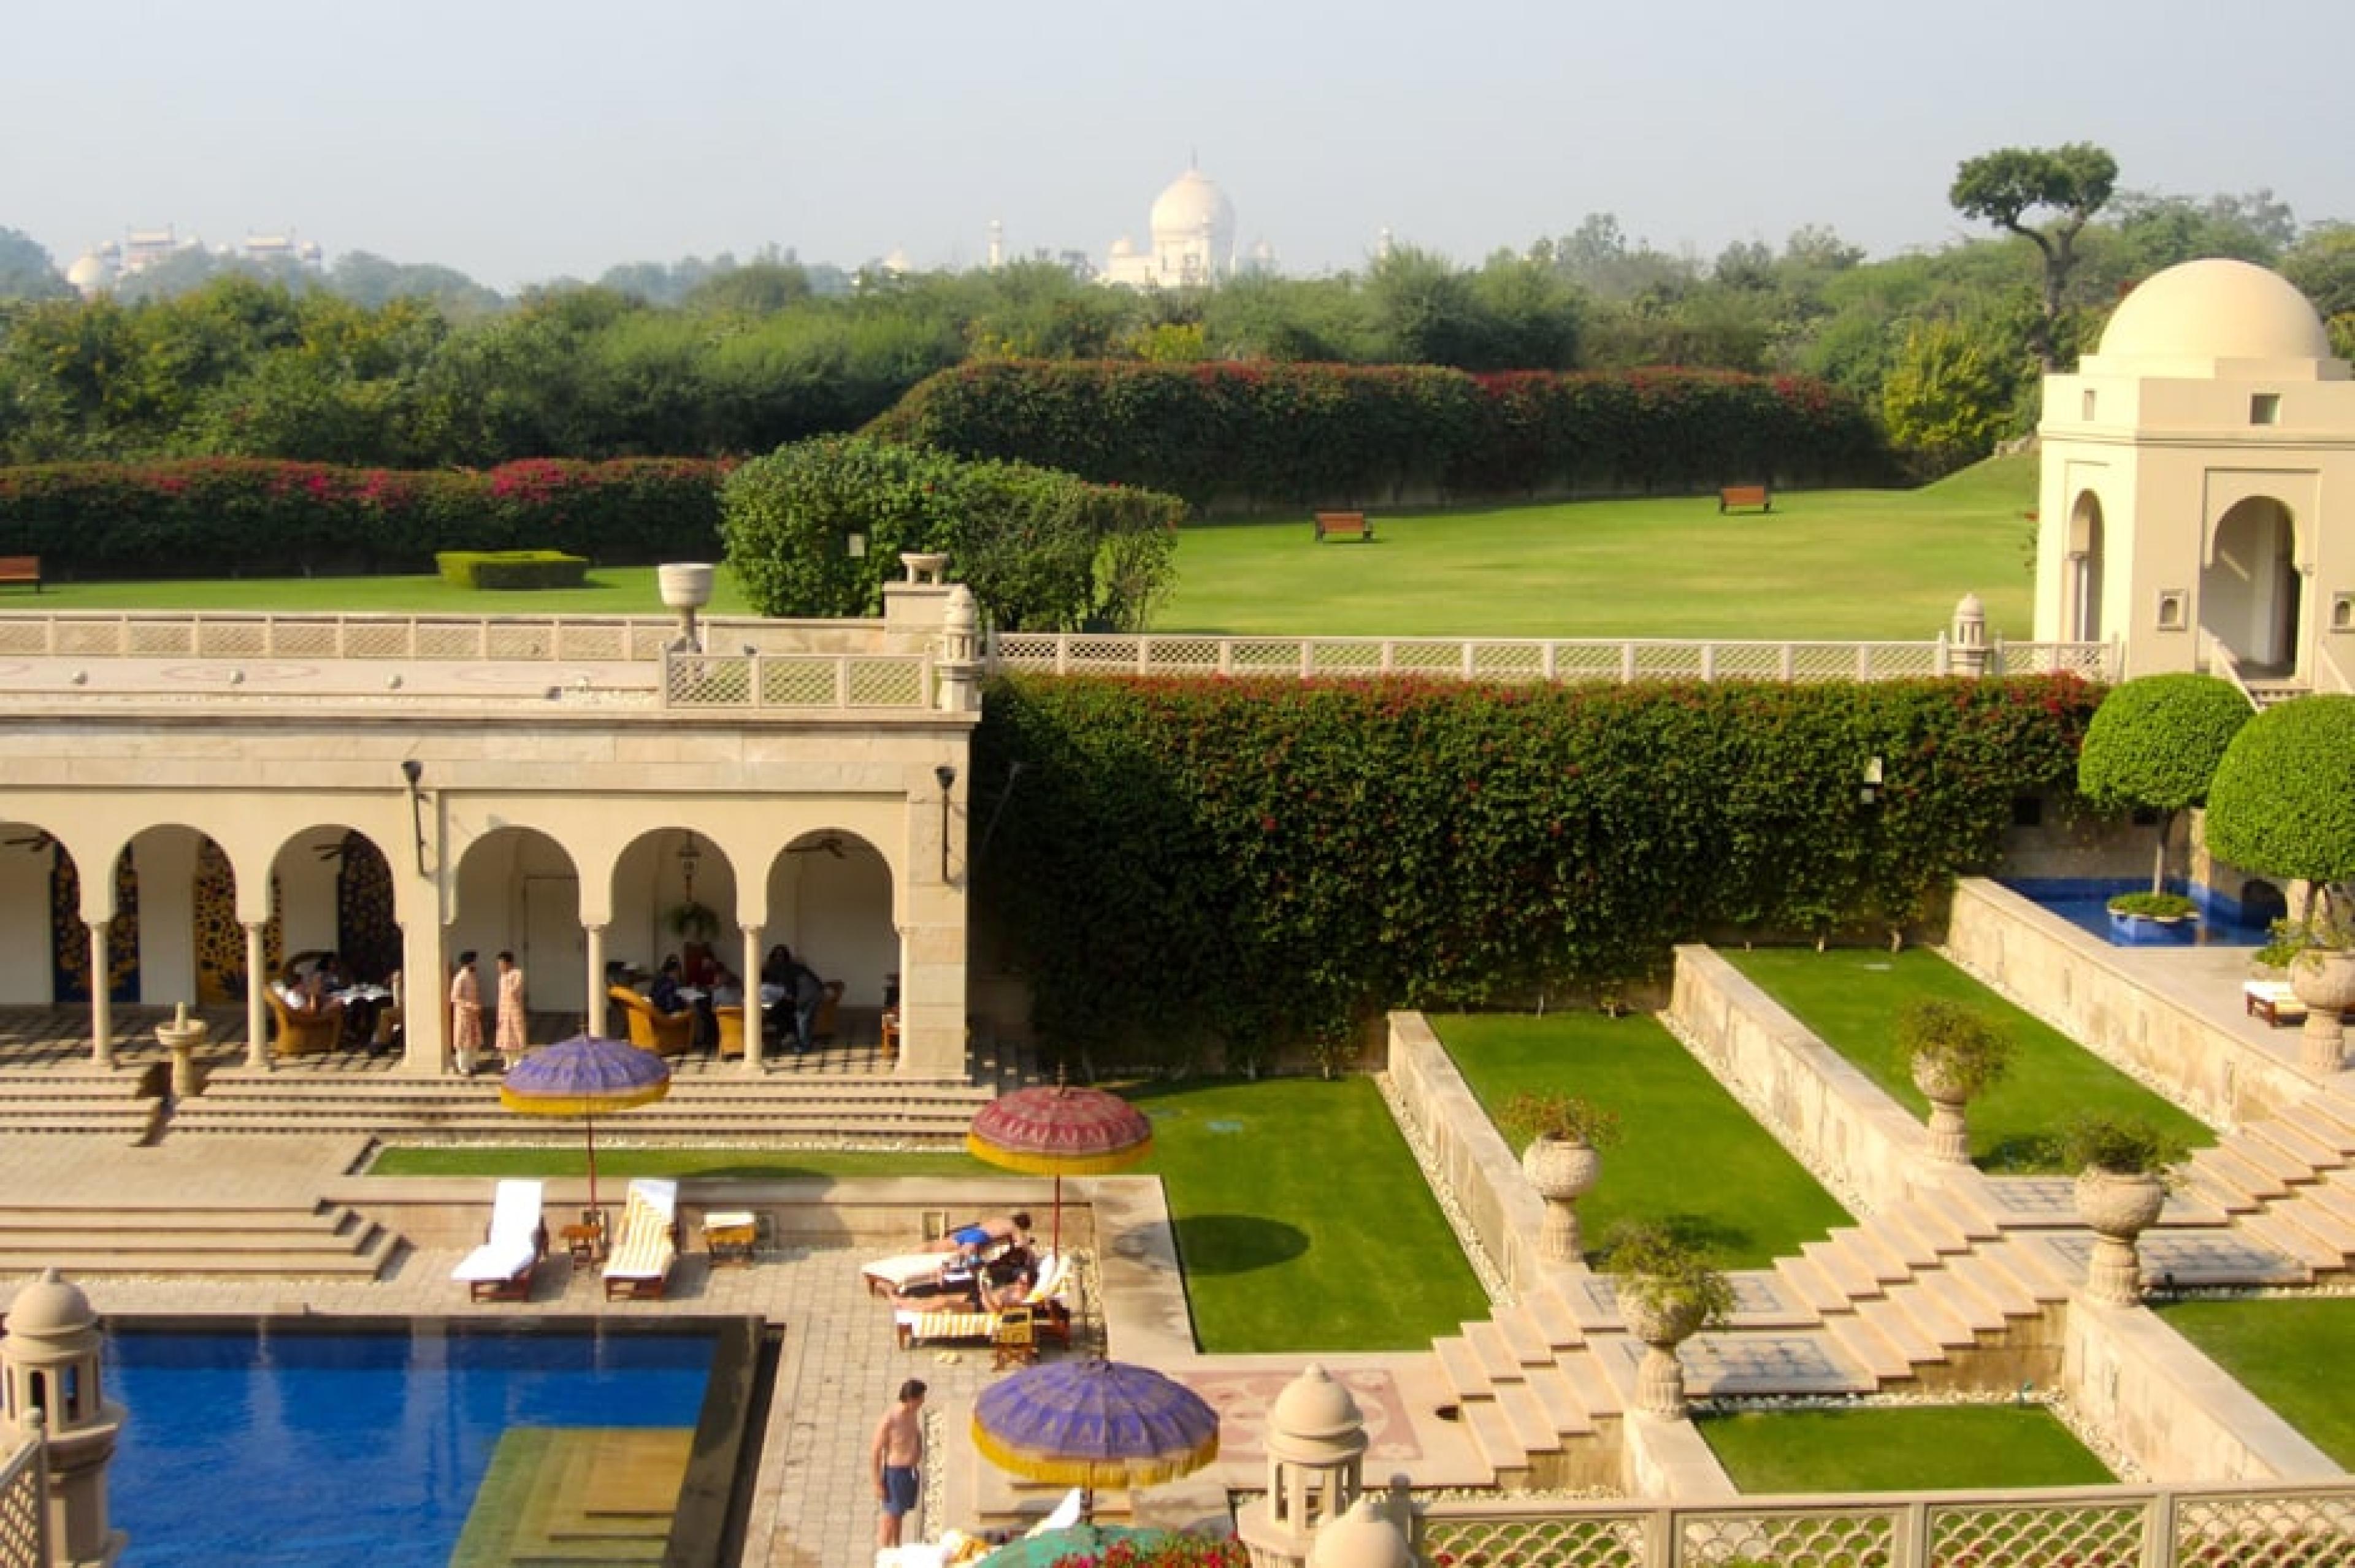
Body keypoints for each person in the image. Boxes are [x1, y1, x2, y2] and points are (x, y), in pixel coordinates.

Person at [870, 1379, 925, 1550]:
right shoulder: (890, 1420)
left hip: (909, 1471)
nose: (923, 1402)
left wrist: (919, 1448)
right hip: (895, 1474)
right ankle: (884, 1553)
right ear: (910, 1399)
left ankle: (896, 1548)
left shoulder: (912, 1412)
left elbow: (915, 1432)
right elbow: (875, 1452)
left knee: (899, 1514)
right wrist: (877, 1483)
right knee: (890, 1516)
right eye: (920, 1398)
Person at [926, 1213, 1031, 1255]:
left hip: (972, 1230)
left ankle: (919, 1250)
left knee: (937, 1247)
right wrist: (1028, 1248)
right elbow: (1022, 1243)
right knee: (958, 1255)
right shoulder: (1013, 1226)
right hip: (980, 1236)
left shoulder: (1001, 1219)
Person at [448, 951, 483, 1076]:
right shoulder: (460, 977)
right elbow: (454, 998)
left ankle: (472, 1064)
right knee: (464, 1041)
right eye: (474, 961)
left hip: (473, 1014)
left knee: (473, 1040)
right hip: (463, 1014)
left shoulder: (472, 976)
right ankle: (463, 1067)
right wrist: (470, 1006)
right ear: (469, 963)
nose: (475, 964)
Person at [494, 950, 528, 1071]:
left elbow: (514, 991)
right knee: (505, 1038)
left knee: (516, 1035)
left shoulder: (517, 974)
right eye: (498, 964)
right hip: (504, 1011)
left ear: (509, 963)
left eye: (501, 963)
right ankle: (508, 1063)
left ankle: (518, 1061)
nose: (499, 966)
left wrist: (507, 978)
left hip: (514, 1010)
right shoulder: (502, 977)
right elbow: (501, 996)